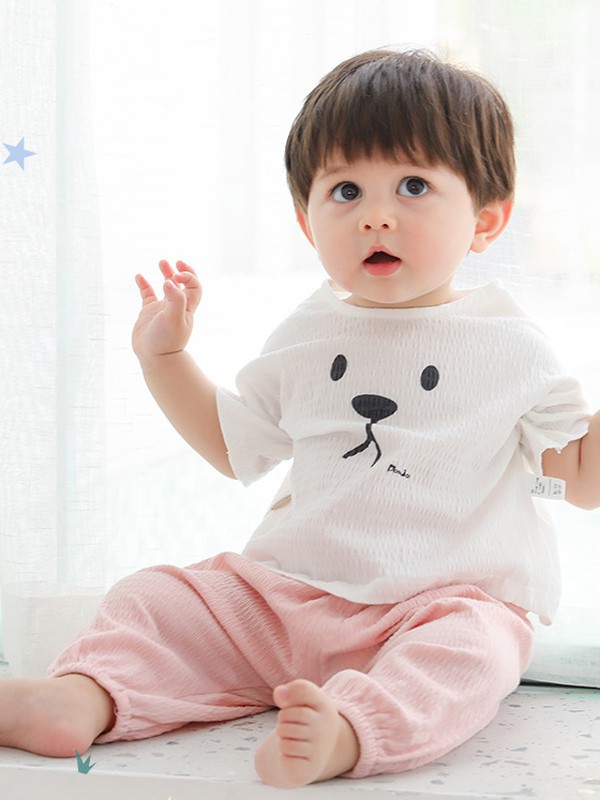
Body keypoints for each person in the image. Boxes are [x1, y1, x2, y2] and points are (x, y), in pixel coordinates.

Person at [1, 48, 598, 789]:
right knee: (157, 598)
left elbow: (578, 479)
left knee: (478, 648)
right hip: (284, 600)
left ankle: (349, 730)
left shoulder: (512, 348)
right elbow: (234, 446)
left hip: (433, 608)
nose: (376, 214)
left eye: (413, 186)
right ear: (305, 222)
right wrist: (165, 359)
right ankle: (81, 696)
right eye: (345, 190)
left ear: (487, 218)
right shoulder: (307, 334)